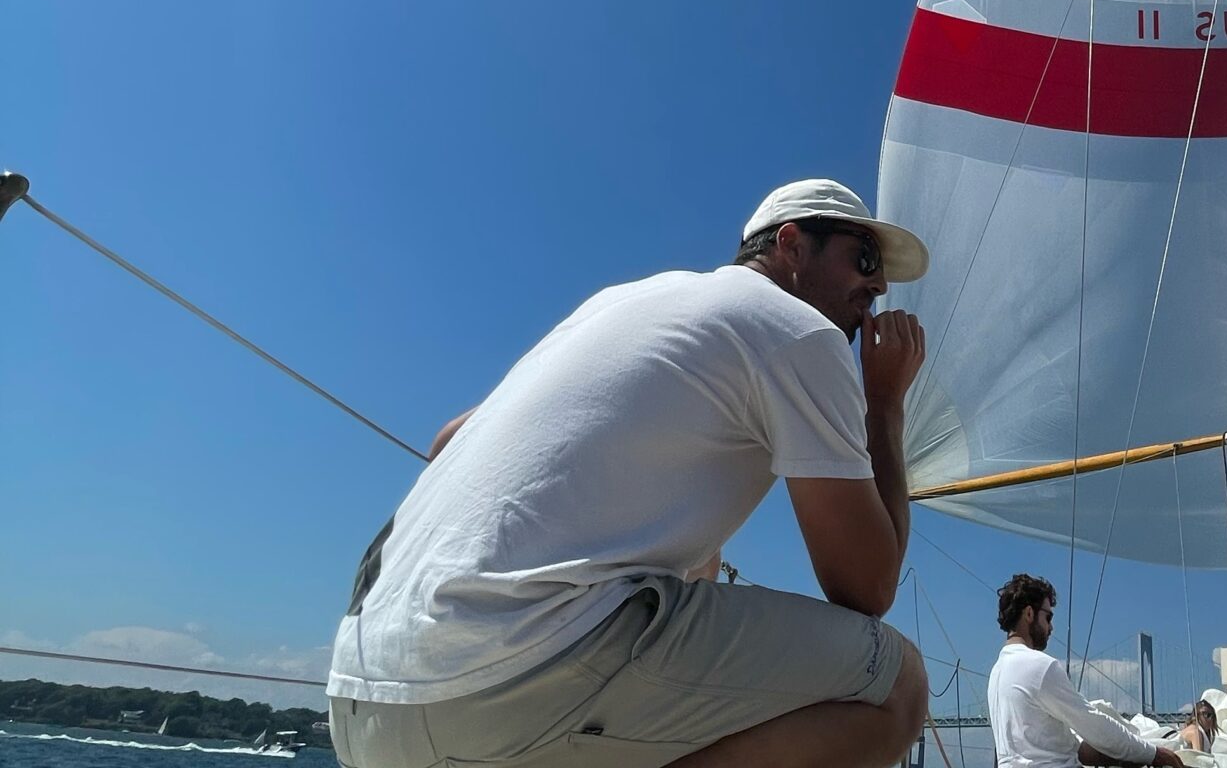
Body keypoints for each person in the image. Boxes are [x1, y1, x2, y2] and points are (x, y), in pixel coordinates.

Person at [327, 179, 934, 768]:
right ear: (793, 245)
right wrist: (884, 402)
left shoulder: (621, 302)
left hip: (361, 698)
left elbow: (446, 440)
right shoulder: (800, 330)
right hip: (490, 686)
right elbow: (867, 589)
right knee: (895, 689)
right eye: (863, 257)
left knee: (701, 568)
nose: (878, 284)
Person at [986, 574, 1181, 768]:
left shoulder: (997, 674)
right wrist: (1154, 754)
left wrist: (1125, 755)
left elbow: (1067, 749)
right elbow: (1095, 726)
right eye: (1048, 617)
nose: (1051, 627)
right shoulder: (1039, 666)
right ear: (1029, 614)